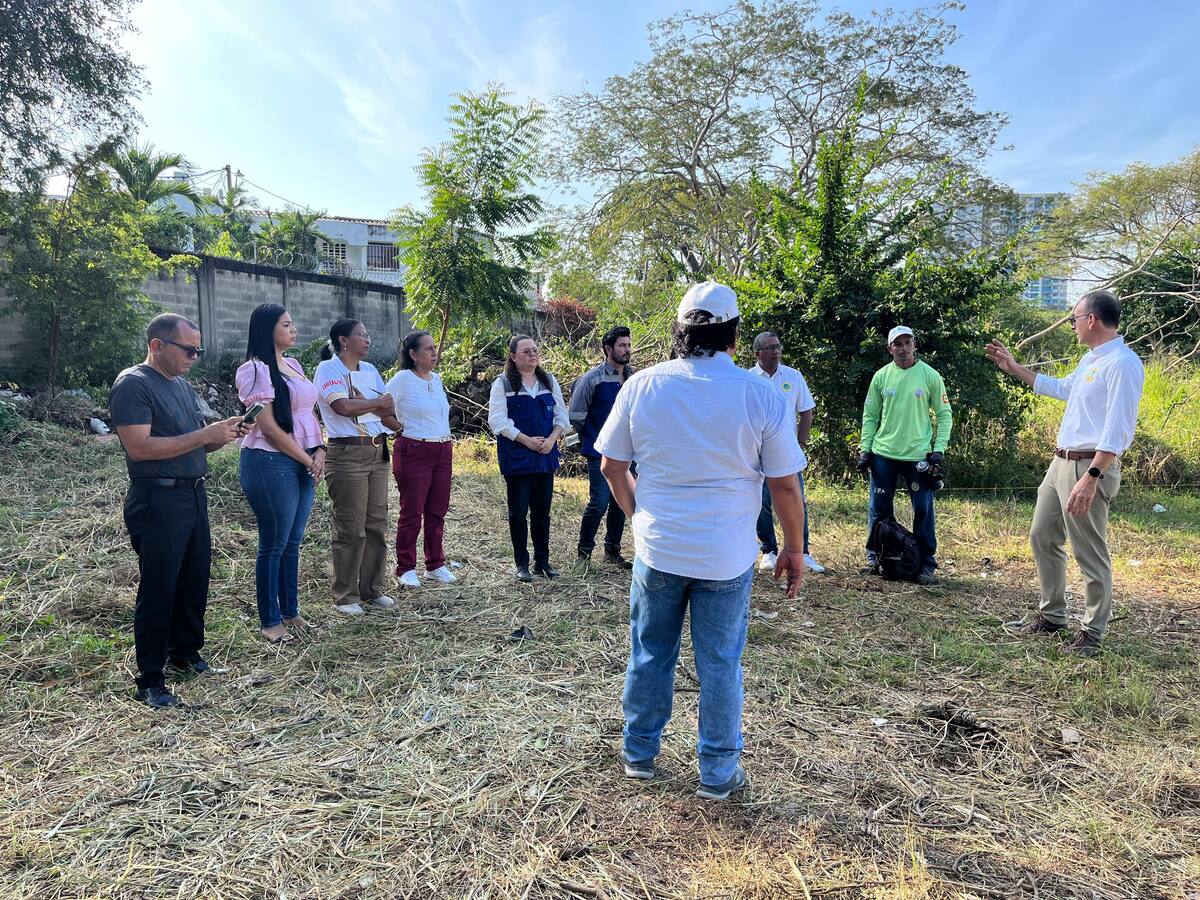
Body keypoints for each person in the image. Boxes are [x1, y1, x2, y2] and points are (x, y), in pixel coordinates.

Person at [595, 281, 807, 801]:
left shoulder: (642, 384)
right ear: (735, 335)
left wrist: (638, 513)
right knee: (720, 662)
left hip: (659, 550)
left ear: (680, 331)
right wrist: (794, 548)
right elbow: (784, 483)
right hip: (726, 558)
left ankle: (639, 754)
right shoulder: (758, 393)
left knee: (649, 652)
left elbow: (611, 465)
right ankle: (716, 772)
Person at [986, 290, 1145, 657]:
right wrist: (1014, 367)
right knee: (1042, 535)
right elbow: (1060, 388)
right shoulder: (1092, 360)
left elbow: (1119, 429)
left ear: (1092, 319)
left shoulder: (1122, 363)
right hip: (1060, 463)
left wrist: (1092, 476)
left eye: (1074, 318)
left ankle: (1093, 633)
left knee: (1090, 551)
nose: (1071, 325)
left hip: (1089, 465)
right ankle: (1053, 615)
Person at [110, 313, 248, 708]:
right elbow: (139, 446)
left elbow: (198, 445)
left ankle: (185, 653)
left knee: (193, 579)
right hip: (158, 498)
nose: (195, 356)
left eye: (198, 349)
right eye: (188, 349)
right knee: (160, 586)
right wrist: (205, 433)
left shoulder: (183, 388)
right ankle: (150, 679)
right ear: (158, 346)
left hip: (191, 494)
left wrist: (223, 434)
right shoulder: (134, 385)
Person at [236, 304, 325, 644]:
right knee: (273, 543)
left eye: (292, 324)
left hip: (303, 459)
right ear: (266, 329)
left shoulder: (295, 365)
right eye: (286, 324)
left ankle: (291, 611)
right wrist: (306, 458)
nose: (294, 329)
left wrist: (319, 451)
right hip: (271, 462)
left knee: (293, 541)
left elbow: (307, 414)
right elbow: (270, 429)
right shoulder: (255, 370)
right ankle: (270, 620)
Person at [314, 318, 401, 615]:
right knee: (350, 526)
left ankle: (372, 589)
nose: (368, 339)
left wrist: (372, 405)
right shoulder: (328, 369)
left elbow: (388, 409)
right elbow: (343, 407)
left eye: (368, 334)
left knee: (376, 523)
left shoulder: (371, 371)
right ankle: (345, 595)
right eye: (360, 335)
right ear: (343, 340)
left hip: (377, 451)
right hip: (347, 453)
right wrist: (374, 405)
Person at [857, 326, 953, 585]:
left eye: (906, 342)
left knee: (922, 510)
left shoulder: (930, 376)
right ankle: (875, 558)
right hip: (883, 453)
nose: (902, 348)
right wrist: (865, 449)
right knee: (879, 510)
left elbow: (945, 414)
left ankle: (926, 564)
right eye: (896, 344)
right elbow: (870, 416)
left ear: (915, 345)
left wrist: (938, 449)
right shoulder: (881, 377)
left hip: (918, 456)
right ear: (889, 349)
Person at [488, 334, 569, 582]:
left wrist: (553, 439)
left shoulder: (548, 381)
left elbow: (561, 416)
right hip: (518, 457)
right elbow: (498, 421)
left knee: (542, 513)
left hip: (545, 456)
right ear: (513, 357)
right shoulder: (502, 384)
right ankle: (521, 563)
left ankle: (542, 563)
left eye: (534, 350)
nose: (532, 354)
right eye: (526, 351)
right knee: (518, 512)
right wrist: (526, 440)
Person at [384, 330, 457, 588]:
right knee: (412, 511)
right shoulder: (403, 379)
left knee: (437, 510)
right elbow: (381, 406)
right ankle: (405, 567)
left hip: (442, 449)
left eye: (434, 347)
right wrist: (397, 427)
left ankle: (435, 564)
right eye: (427, 349)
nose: (434, 352)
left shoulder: (435, 379)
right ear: (413, 355)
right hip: (414, 449)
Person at [750, 331, 825, 575]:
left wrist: (800, 443)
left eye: (778, 346)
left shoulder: (793, 376)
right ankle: (768, 551)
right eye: (770, 347)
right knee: (762, 502)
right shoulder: (748, 379)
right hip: (757, 451)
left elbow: (806, 412)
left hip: (787, 452)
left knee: (796, 499)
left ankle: (802, 551)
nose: (776, 351)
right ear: (757, 353)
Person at [569, 325, 635, 569]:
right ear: (608, 349)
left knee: (621, 502)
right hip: (599, 452)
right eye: (622, 345)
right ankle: (584, 554)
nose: (627, 349)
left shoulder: (633, 378)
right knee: (599, 501)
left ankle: (612, 552)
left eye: (628, 345)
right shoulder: (592, 379)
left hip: (628, 453)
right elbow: (576, 415)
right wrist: (595, 436)